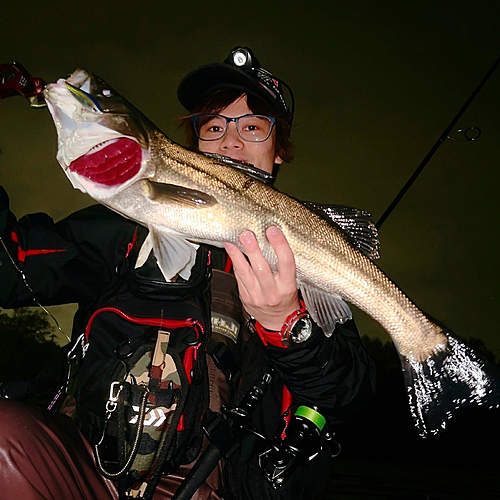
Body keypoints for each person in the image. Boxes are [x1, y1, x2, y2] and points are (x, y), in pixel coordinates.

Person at [0, 46, 376, 499]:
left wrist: (287, 326)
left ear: (280, 151)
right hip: (86, 467)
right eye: (213, 126)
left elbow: (350, 398)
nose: (230, 142)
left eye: (253, 127)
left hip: (212, 485)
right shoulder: (120, 228)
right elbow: (9, 269)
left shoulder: (306, 258)